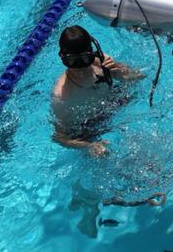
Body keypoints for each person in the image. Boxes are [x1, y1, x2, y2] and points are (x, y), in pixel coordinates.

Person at [51, 25, 144, 157]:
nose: (80, 67)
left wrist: (119, 71)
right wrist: (89, 146)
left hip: (114, 105)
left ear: (92, 53)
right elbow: (59, 137)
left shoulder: (101, 62)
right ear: (62, 58)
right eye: (72, 61)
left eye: (85, 59)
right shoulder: (61, 96)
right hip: (88, 129)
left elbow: (139, 76)